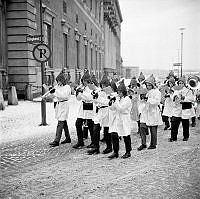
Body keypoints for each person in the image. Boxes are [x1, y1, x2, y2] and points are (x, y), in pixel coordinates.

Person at [108, 81, 132, 159]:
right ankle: (115, 152)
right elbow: (113, 108)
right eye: (118, 92)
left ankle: (128, 152)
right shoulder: (119, 99)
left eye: (120, 92)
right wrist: (111, 102)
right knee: (114, 134)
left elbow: (121, 109)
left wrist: (116, 101)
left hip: (124, 118)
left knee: (126, 135)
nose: (119, 93)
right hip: (118, 118)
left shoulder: (127, 99)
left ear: (124, 92)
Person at [87, 75, 110, 155]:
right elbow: (96, 101)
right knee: (96, 129)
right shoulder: (100, 91)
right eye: (102, 85)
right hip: (99, 111)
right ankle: (96, 147)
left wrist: (98, 99)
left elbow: (107, 102)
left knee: (107, 131)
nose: (103, 87)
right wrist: (95, 97)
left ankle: (109, 147)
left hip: (106, 111)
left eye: (104, 85)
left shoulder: (109, 92)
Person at [48, 71, 72, 147]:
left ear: (63, 80)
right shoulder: (57, 87)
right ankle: (68, 138)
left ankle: (56, 140)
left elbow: (64, 95)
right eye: (57, 81)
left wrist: (55, 92)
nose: (58, 82)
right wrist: (51, 93)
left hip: (65, 104)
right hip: (59, 105)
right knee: (63, 121)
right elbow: (53, 96)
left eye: (59, 81)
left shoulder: (67, 87)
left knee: (60, 122)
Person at [72, 70, 94, 149]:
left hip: (89, 106)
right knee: (78, 123)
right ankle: (80, 141)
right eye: (83, 80)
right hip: (82, 107)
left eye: (85, 80)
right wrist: (77, 92)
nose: (84, 82)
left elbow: (90, 97)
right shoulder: (82, 87)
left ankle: (93, 142)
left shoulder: (92, 86)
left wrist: (82, 93)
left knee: (91, 125)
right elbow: (78, 99)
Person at [169, 77, 195, 142]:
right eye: (179, 83)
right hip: (177, 108)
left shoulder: (188, 91)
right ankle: (173, 137)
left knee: (185, 124)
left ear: (184, 84)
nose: (180, 84)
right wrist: (174, 97)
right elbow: (173, 97)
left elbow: (191, 99)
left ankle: (186, 136)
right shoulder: (176, 90)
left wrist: (184, 98)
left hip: (185, 108)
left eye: (182, 83)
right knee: (174, 123)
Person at [144, 75, 163, 149]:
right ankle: (152, 143)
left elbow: (157, 102)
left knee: (153, 128)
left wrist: (148, 100)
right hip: (149, 111)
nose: (148, 86)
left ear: (152, 85)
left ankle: (153, 144)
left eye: (149, 85)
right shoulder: (148, 92)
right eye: (147, 85)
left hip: (154, 111)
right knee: (151, 127)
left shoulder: (157, 92)